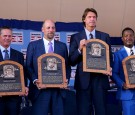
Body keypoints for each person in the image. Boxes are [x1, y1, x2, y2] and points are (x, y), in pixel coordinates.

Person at [69, 8, 113, 115]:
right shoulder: (76, 37)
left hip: (100, 80)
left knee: (101, 111)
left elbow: (109, 57)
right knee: (83, 111)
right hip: (83, 81)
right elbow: (71, 60)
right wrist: (79, 49)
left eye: (94, 17)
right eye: (89, 17)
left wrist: (109, 67)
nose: (92, 19)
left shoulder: (105, 36)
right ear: (84, 19)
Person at [26, 19, 71, 115]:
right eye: (48, 28)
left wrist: (66, 79)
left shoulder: (62, 46)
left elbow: (67, 66)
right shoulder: (33, 45)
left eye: (53, 28)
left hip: (58, 91)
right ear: (42, 29)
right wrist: (35, 80)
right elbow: (28, 66)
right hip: (40, 90)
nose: (51, 30)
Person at [0, 26, 28, 115]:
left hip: (14, 99)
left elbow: (23, 74)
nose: (7, 38)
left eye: (9, 36)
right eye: (5, 36)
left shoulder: (19, 55)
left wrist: (24, 87)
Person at [112, 27, 135, 115]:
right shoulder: (118, 54)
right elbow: (114, 73)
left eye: (131, 35)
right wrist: (122, 84)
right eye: (126, 36)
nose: (129, 37)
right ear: (122, 39)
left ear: (134, 37)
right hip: (127, 94)